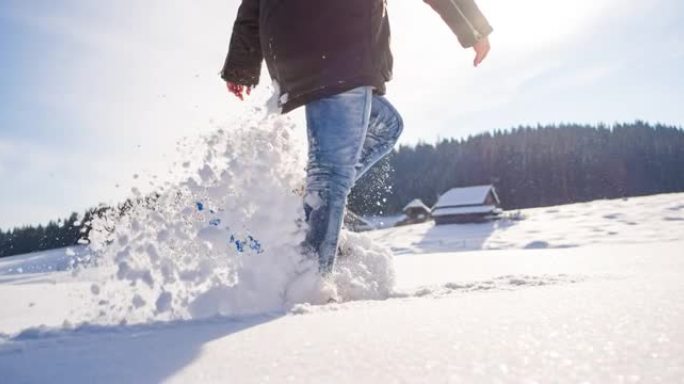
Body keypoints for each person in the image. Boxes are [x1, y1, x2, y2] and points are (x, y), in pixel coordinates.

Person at [221, 0, 492, 274]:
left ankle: (304, 207)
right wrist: (475, 30)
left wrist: (241, 66)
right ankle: (307, 283)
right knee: (330, 177)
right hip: (340, 43)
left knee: (385, 126)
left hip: (291, 50)